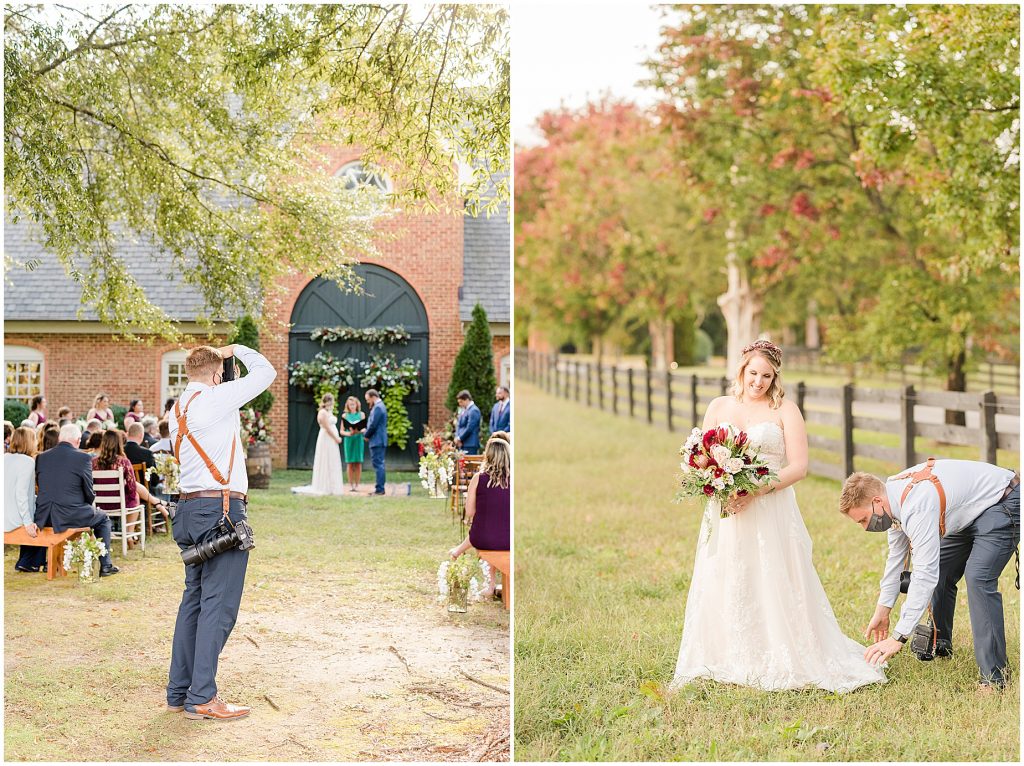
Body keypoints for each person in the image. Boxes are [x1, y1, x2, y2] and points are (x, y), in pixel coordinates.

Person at [669, 339, 884, 693]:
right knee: (728, 572)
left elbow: (799, 467)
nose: (758, 381)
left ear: (775, 377)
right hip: (726, 508)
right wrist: (720, 487)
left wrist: (753, 491)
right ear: (742, 371)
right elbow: (702, 454)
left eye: (766, 376)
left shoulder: (785, 410)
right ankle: (727, 651)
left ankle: (781, 650)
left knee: (773, 575)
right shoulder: (719, 406)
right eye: (753, 373)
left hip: (771, 506)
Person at [839, 459, 1020, 691]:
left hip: (1004, 499)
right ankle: (939, 643)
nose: (865, 527)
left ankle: (994, 677)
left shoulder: (917, 504)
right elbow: (897, 560)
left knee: (978, 579)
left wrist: (899, 637)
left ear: (876, 501)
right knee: (944, 568)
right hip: (969, 510)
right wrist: (883, 610)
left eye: (863, 519)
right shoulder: (891, 501)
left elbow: (924, 573)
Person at [167, 343, 276, 721]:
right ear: (217, 375)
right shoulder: (216, 397)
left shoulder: (176, 409)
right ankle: (202, 697)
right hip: (221, 510)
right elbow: (265, 373)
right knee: (220, 606)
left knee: (193, 602)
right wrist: (237, 349)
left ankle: (179, 691)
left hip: (187, 509)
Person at [34, 423, 118, 577]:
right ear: (78, 440)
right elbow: (88, 488)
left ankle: (47, 563)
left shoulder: (41, 457)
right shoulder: (83, 457)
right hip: (70, 514)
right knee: (103, 518)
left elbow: (41, 485)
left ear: (60, 438)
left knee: (93, 514)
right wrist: (87, 504)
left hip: (45, 516)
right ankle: (106, 565)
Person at [449, 436, 511, 597]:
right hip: (510, 539)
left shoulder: (479, 478)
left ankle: (490, 585)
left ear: (488, 456)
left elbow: (469, 512)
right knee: (496, 529)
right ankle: (458, 551)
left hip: (484, 538)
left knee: (487, 531)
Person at [92, 430, 169, 546]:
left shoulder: (93, 463)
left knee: (135, 492)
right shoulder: (123, 462)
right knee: (136, 495)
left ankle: (157, 503)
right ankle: (130, 534)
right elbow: (132, 487)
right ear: (119, 444)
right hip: (120, 504)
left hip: (99, 505)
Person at [5, 426, 47, 572]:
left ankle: (25, 560)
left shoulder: (3, 458)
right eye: (34, 439)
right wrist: (28, 523)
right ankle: (31, 562)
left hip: (4, 512)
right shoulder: (28, 461)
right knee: (42, 517)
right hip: (14, 518)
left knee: (35, 512)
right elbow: (21, 494)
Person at [291, 393, 345, 496]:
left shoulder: (329, 412)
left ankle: (332, 485)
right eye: (330, 401)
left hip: (331, 439)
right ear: (326, 401)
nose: (331, 403)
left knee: (332, 459)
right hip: (327, 438)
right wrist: (336, 438)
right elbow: (326, 427)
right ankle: (325, 485)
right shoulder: (322, 412)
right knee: (325, 459)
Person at [363, 388, 387, 496]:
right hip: (378, 440)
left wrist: (366, 435)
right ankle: (379, 488)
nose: (368, 402)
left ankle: (380, 489)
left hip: (377, 440)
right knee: (379, 464)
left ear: (373, 397)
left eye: (368, 400)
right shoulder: (380, 406)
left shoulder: (378, 407)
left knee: (378, 465)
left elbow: (373, 425)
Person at [340, 396, 366, 492]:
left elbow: (364, 428)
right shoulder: (344, 416)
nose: (352, 406)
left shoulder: (361, 414)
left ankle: (357, 484)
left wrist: (358, 430)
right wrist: (349, 433)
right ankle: (351, 485)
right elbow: (341, 431)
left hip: (358, 440)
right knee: (350, 463)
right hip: (349, 440)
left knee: (358, 463)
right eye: (350, 404)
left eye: (353, 404)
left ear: (357, 404)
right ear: (347, 405)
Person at [125, 422, 159, 494]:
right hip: (145, 495)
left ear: (127, 434)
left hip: (124, 493)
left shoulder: (119, 451)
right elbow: (155, 481)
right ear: (141, 435)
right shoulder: (147, 453)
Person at [454, 390, 482, 454]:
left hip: (470, 444)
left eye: (461, 402)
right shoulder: (463, 410)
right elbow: (458, 425)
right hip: (461, 443)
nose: (460, 404)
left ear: (467, 400)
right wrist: (457, 437)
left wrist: (460, 438)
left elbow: (470, 428)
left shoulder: (474, 410)